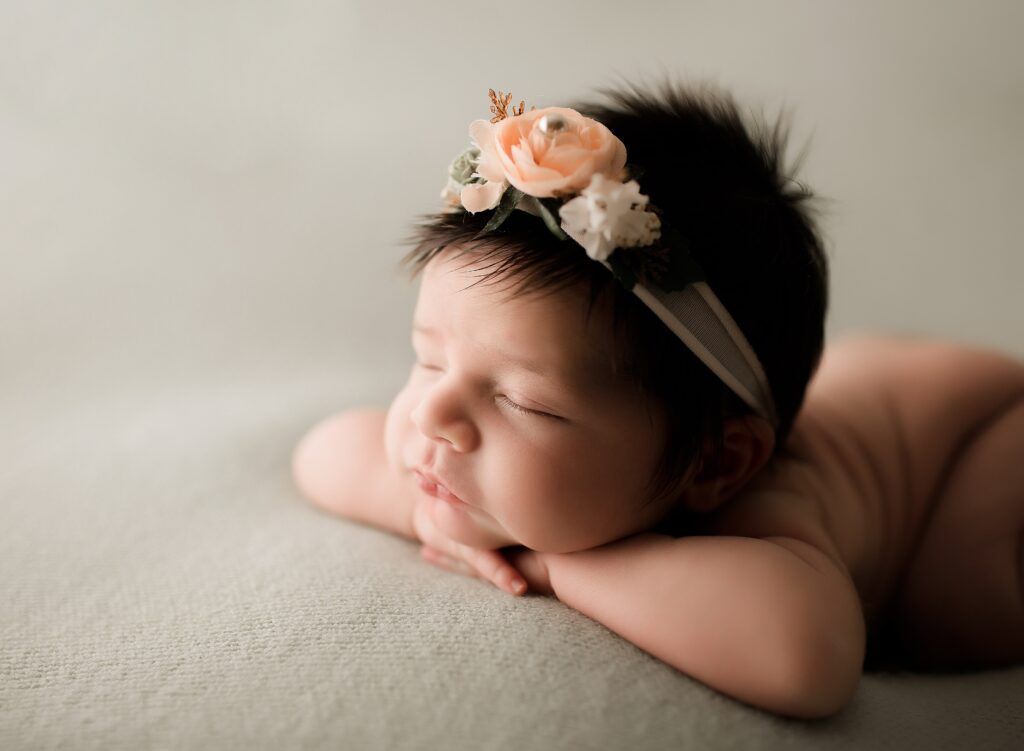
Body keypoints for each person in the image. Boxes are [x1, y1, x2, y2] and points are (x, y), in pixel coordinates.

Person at [290, 80, 1024, 719]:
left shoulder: (761, 509)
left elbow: (808, 655)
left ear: (718, 463)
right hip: (877, 379)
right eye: (428, 358)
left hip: (980, 433)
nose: (433, 415)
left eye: (524, 402)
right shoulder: (491, 430)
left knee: (958, 612)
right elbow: (324, 451)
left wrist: (548, 561)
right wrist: (430, 511)